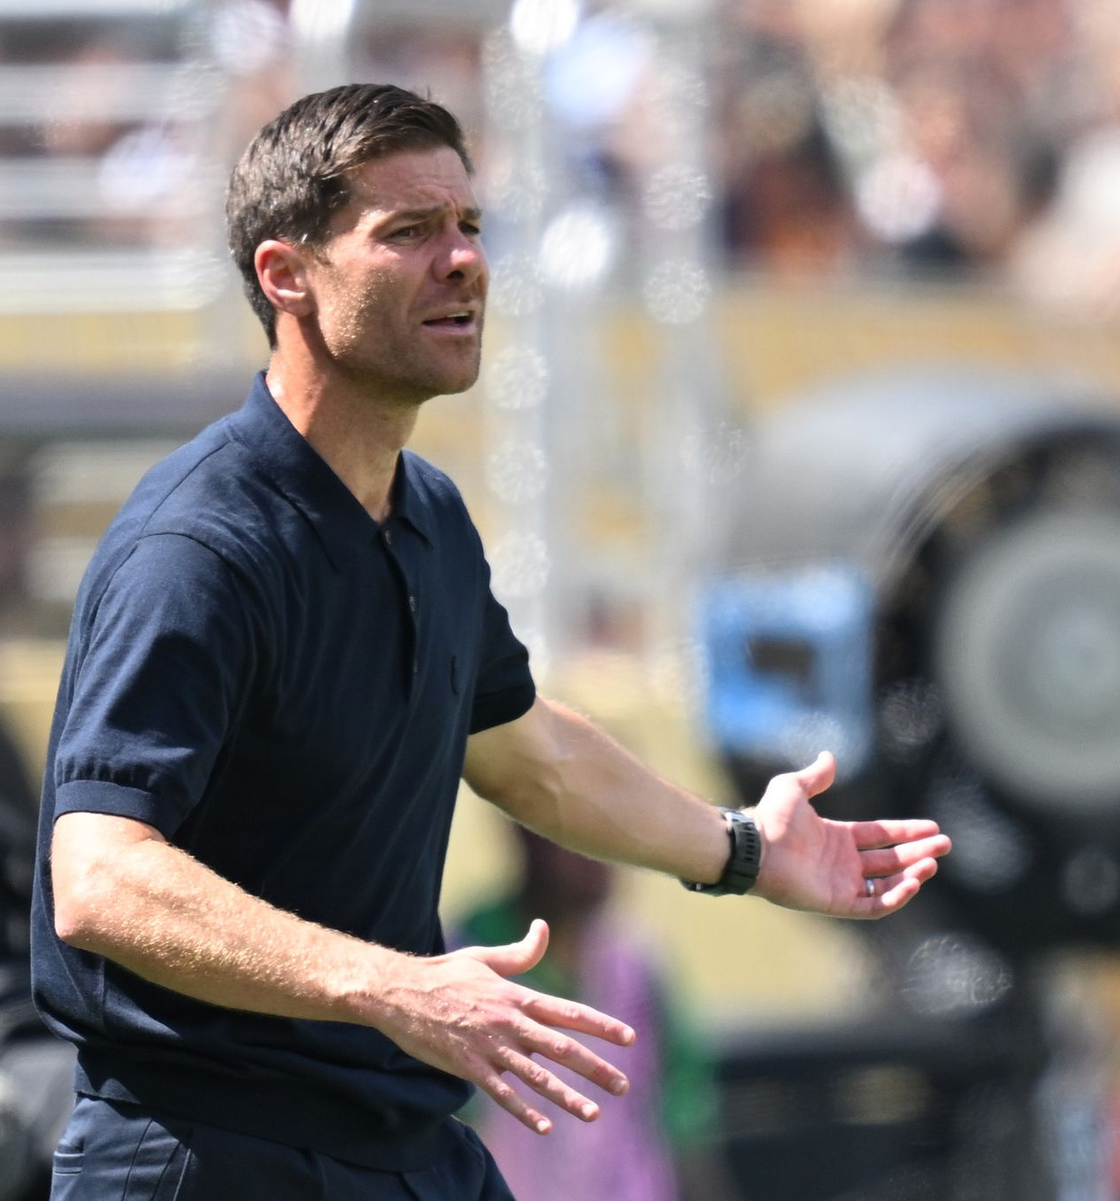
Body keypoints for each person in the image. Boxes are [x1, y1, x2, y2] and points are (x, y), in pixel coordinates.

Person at [30, 83, 950, 1200]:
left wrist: (745, 848)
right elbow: (100, 880)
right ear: (287, 276)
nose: (462, 261)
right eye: (408, 232)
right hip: (210, 1155)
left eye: (470, 226)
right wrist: (395, 988)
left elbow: (528, 751)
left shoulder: (430, 518)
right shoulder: (200, 545)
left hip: (405, 1147)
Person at [455, 828, 725, 1201]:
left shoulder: (639, 971)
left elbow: (684, 1122)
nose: (596, 855)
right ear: (526, 832)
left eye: (612, 834)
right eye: (574, 831)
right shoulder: (461, 965)